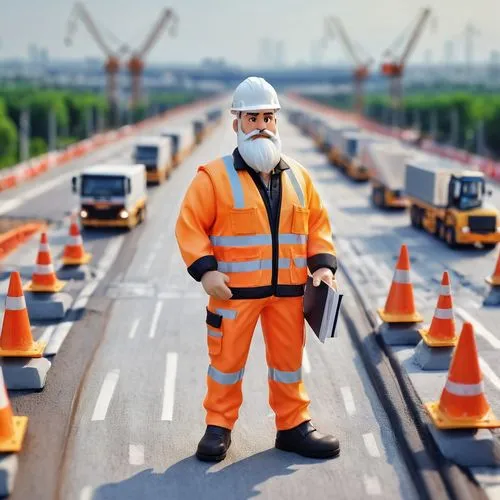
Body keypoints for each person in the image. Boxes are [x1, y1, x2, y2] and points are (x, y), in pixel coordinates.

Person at [175, 76, 340, 462]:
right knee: (226, 365)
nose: (262, 126)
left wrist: (323, 266)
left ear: (277, 121)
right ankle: (218, 427)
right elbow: (190, 225)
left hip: (288, 295)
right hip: (233, 295)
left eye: (268, 117)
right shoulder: (213, 178)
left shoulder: (300, 178)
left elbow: (318, 225)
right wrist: (206, 271)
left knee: (288, 365)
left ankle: (293, 426)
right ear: (237, 124)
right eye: (253, 119)